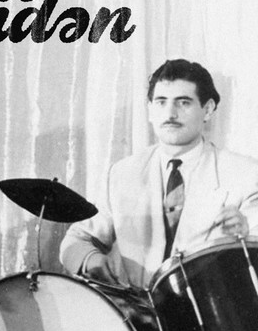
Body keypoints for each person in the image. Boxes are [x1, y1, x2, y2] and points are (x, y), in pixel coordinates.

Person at [60, 58, 258, 289]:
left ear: (208, 109)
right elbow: (77, 239)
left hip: (210, 308)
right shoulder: (123, 173)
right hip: (135, 307)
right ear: (150, 110)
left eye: (183, 102)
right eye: (161, 102)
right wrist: (93, 261)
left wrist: (247, 236)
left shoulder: (245, 174)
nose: (170, 113)